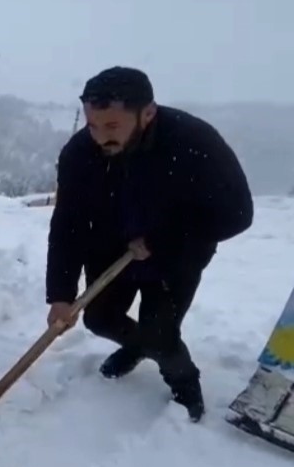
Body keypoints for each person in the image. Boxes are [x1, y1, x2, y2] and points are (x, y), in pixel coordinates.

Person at [46, 66, 254, 422]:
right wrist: (61, 294)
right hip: (111, 248)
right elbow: (68, 223)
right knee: (99, 318)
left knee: (161, 331)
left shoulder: (194, 143)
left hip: (178, 254)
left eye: (112, 127)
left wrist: (163, 240)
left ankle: (183, 379)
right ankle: (138, 345)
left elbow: (237, 213)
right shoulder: (80, 153)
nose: (99, 138)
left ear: (148, 113)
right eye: (93, 125)